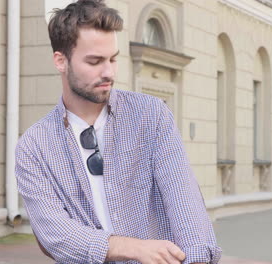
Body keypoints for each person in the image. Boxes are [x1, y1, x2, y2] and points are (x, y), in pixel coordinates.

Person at [15, 0, 221, 263]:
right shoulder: (34, 146)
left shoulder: (151, 115)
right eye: (95, 61)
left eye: (113, 59)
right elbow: (55, 234)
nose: (109, 72)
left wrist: (196, 259)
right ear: (60, 61)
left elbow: (186, 206)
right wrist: (131, 247)